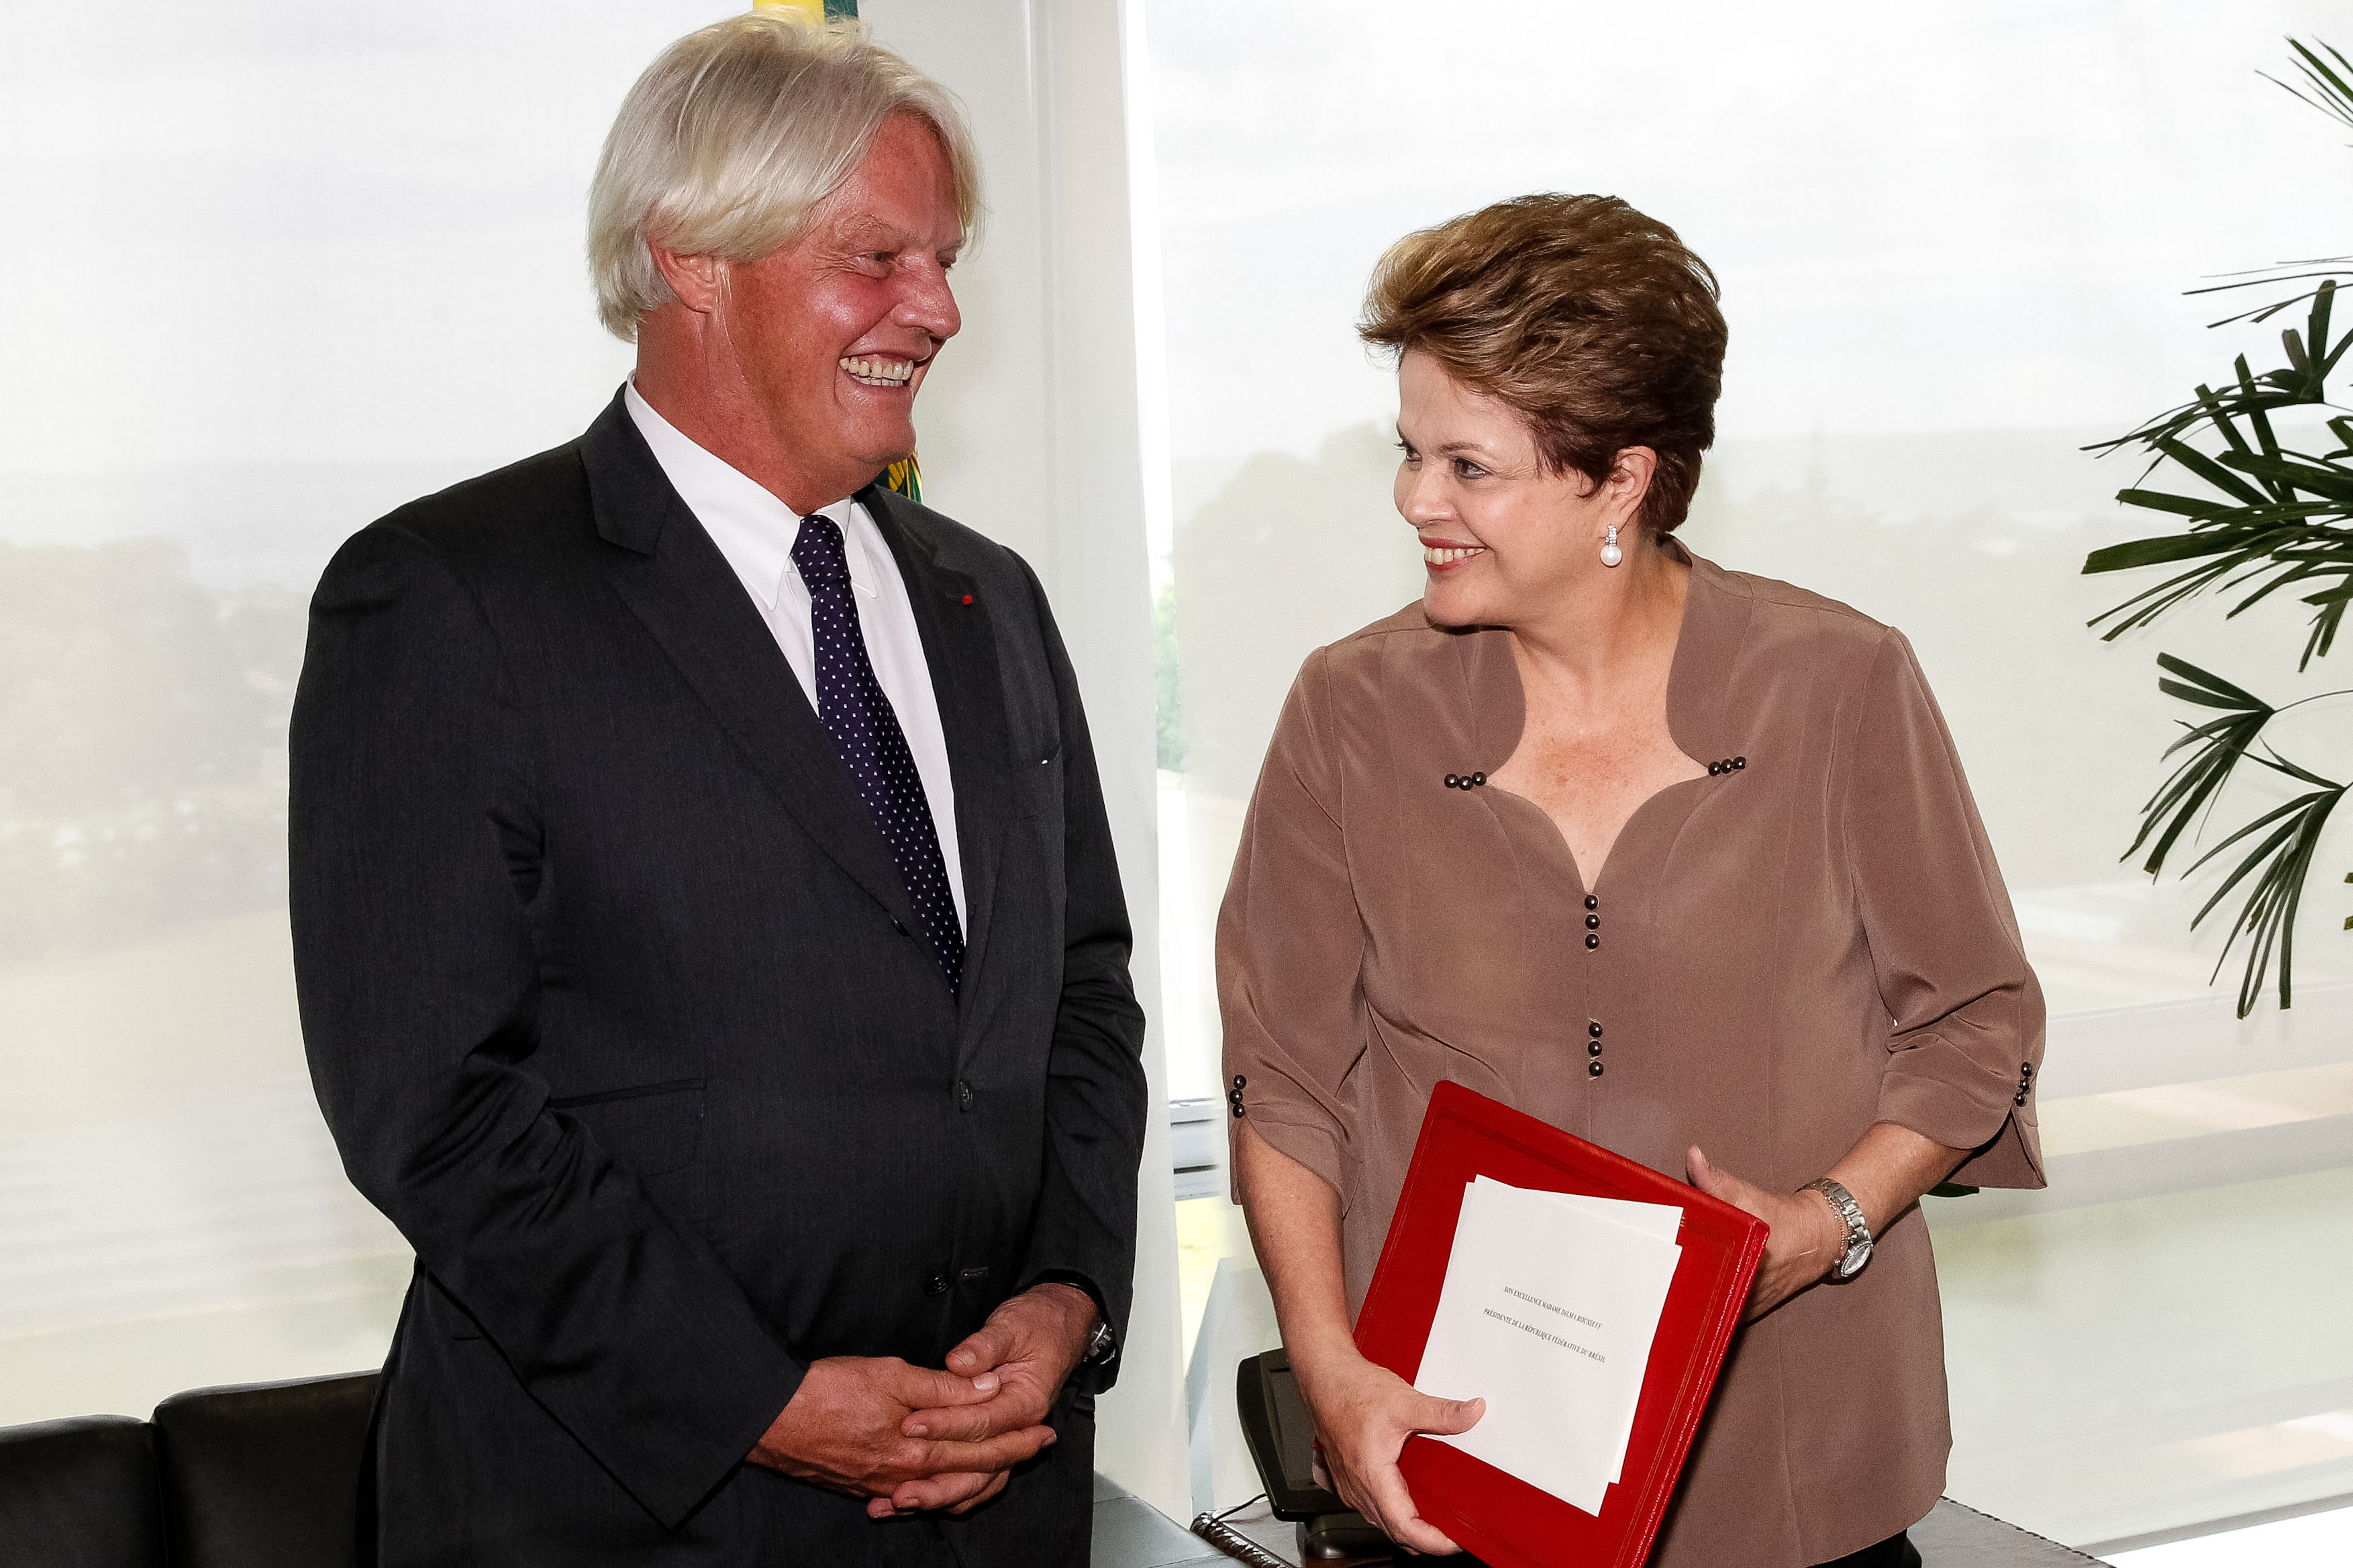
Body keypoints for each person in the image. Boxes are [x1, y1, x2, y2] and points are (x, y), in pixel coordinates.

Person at [287, 15, 1146, 1565]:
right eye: (875, 256)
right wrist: (751, 1395)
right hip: (628, 1506)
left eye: (942, 257)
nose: (938, 308)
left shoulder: (991, 598)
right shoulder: (445, 598)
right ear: (688, 257)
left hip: (992, 1508)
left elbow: (1078, 991)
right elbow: (431, 1102)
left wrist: (1069, 1294)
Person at [1218, 193, 2046, 1568]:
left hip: (1796, 1457)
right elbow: (1285, 1076)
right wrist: (1331, 1366)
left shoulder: (1837, 681)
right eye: (1411, 452)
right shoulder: (1348, 707)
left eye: (1470, 468)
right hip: (1461, 1457)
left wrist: (1828, 1220)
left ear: (1620, 480)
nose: (1419, 500)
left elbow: (1976, 1020)